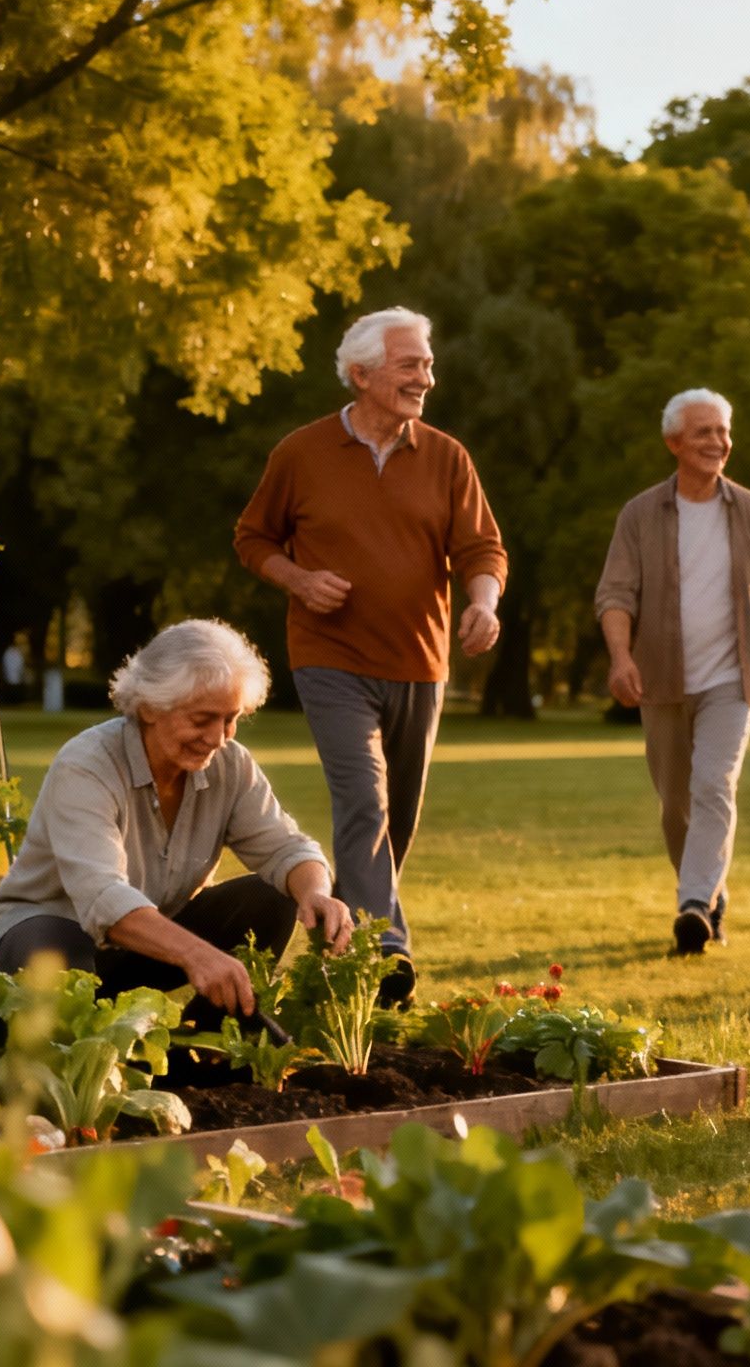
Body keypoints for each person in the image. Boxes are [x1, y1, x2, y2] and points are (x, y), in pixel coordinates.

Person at [233, 307, 506, 1008]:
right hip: (329, 657)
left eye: (428, 365)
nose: (426, 379)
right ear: (361, 374)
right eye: (411, 365)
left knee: (396, 819)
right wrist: (299, 580)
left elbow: (482, 549)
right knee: (363, 798)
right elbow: (253, 538)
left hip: (419, 661)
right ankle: (387, 950)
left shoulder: (446, 457)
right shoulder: (301, 453)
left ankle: (346, 946)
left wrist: (483, 603)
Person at [0, 621, 353, 1022]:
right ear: (149, 707)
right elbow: (103, 899)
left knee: (273, 898)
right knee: (57, 954)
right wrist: (197, 954)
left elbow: (287, 848)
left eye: (230, 718)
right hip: (49, 932)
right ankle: (64, 1045)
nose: (218, 737)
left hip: (145, 943)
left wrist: (315, 892)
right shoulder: (86, 765)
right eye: (202, 719)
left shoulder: (231, 764)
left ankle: (208, 1041)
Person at [595, 388, 750, 957]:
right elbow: (615, 594)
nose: (718, 442)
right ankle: (712, 893)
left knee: (713, 786)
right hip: (660, 677)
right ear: (674, 442)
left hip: (733, 678)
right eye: (704, 432)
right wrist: (621, 657)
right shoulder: (641, 514)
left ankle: (693, 905)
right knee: (675, 805)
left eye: (723, 431)